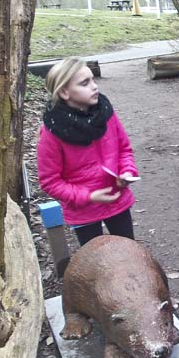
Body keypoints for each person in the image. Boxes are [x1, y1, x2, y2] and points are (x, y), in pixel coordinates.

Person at [37, 57, 138, 248]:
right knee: (95, 262)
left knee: (129, 252)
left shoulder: (106, 113)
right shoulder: (52, 131)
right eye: (85, 83)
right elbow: (50, 181)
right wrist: (88, 197)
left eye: (93, 80)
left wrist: (127, 172)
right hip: (83, 210)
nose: (94, 87)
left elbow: (124, 149)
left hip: (117, 200)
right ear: (65, 92)